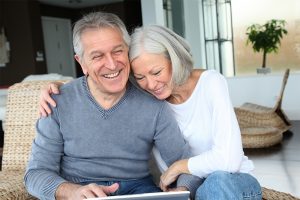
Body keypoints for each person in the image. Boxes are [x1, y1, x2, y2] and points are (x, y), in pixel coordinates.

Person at [39, 25, 262, 200]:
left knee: (216, 184)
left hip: (228, 182)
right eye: (140, 77)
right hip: (192, 185)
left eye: (157, 72)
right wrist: (57, 87)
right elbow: (102, 80)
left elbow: (229, 160)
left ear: (174, 59)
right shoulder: (147, 95)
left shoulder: (210, 83)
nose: (151, 84)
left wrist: (179, 168)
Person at [24, 12, 201, 200]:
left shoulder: (154, 103)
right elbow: (35, 174)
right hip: (78, 188)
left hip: (138, 190)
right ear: (81, 62)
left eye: (117, 51)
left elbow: (184, 163)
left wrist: (183, 188)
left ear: (127, 50)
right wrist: (71, 192)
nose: (111, 64)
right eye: (97, 56)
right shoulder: (56, 102)